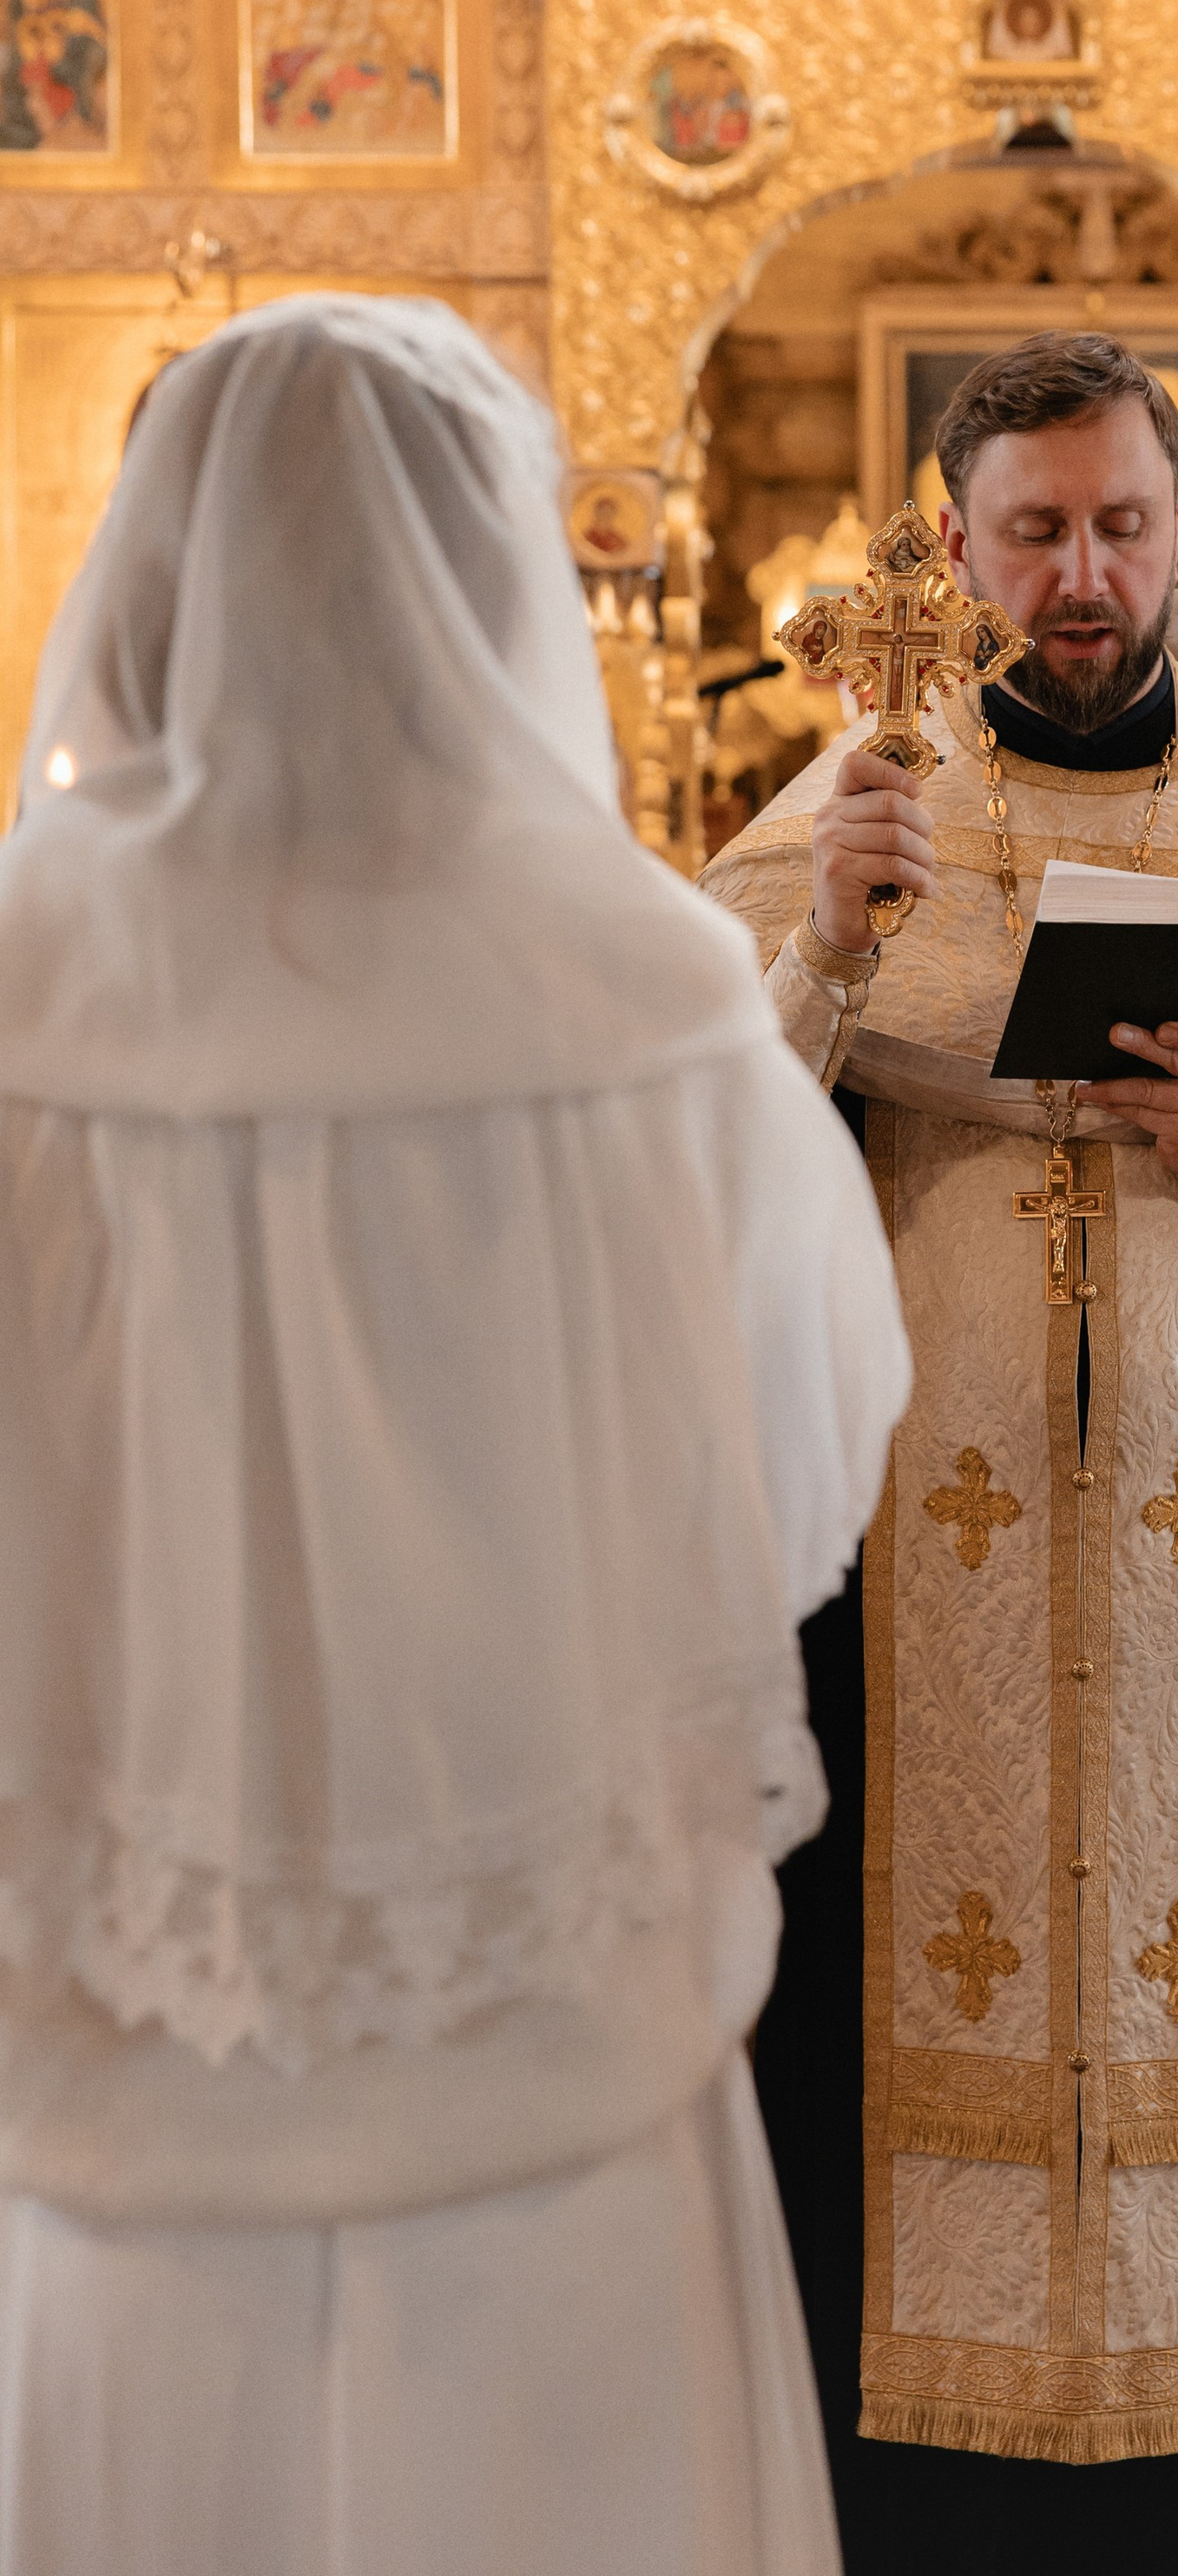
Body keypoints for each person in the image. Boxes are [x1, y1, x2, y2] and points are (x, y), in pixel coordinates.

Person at [0, 295, 910, 2576]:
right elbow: (798, 1481)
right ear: (497, 576)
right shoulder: (646, 979)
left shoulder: (22, 971)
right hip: (556, 2062)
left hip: (123, 2063)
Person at [702, 332, 1178, 2571]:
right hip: (923, 1572)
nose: (1082, 574)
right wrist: (825, 946)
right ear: (951, 542)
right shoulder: (848, 808)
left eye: (1122, 523)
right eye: (1032, 530)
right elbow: (682, 1163)